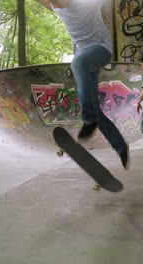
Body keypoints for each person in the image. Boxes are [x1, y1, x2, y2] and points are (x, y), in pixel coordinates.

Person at [35, 0, 129, 169]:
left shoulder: (86, 3)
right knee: (93, 107)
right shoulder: (56, 7)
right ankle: (120, 146)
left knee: (77, 63)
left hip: (101, 50)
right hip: (85, 57)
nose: (57, 6)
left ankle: (88, 120)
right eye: (53, 3)